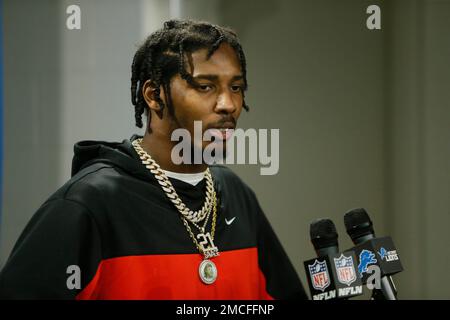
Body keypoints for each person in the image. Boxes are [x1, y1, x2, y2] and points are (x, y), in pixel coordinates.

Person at [0, 19, 307, 300]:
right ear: (154, 95)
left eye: (236, 88)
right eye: (205, 86)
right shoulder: (88, 203)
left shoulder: (235, 193)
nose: (228, 104)